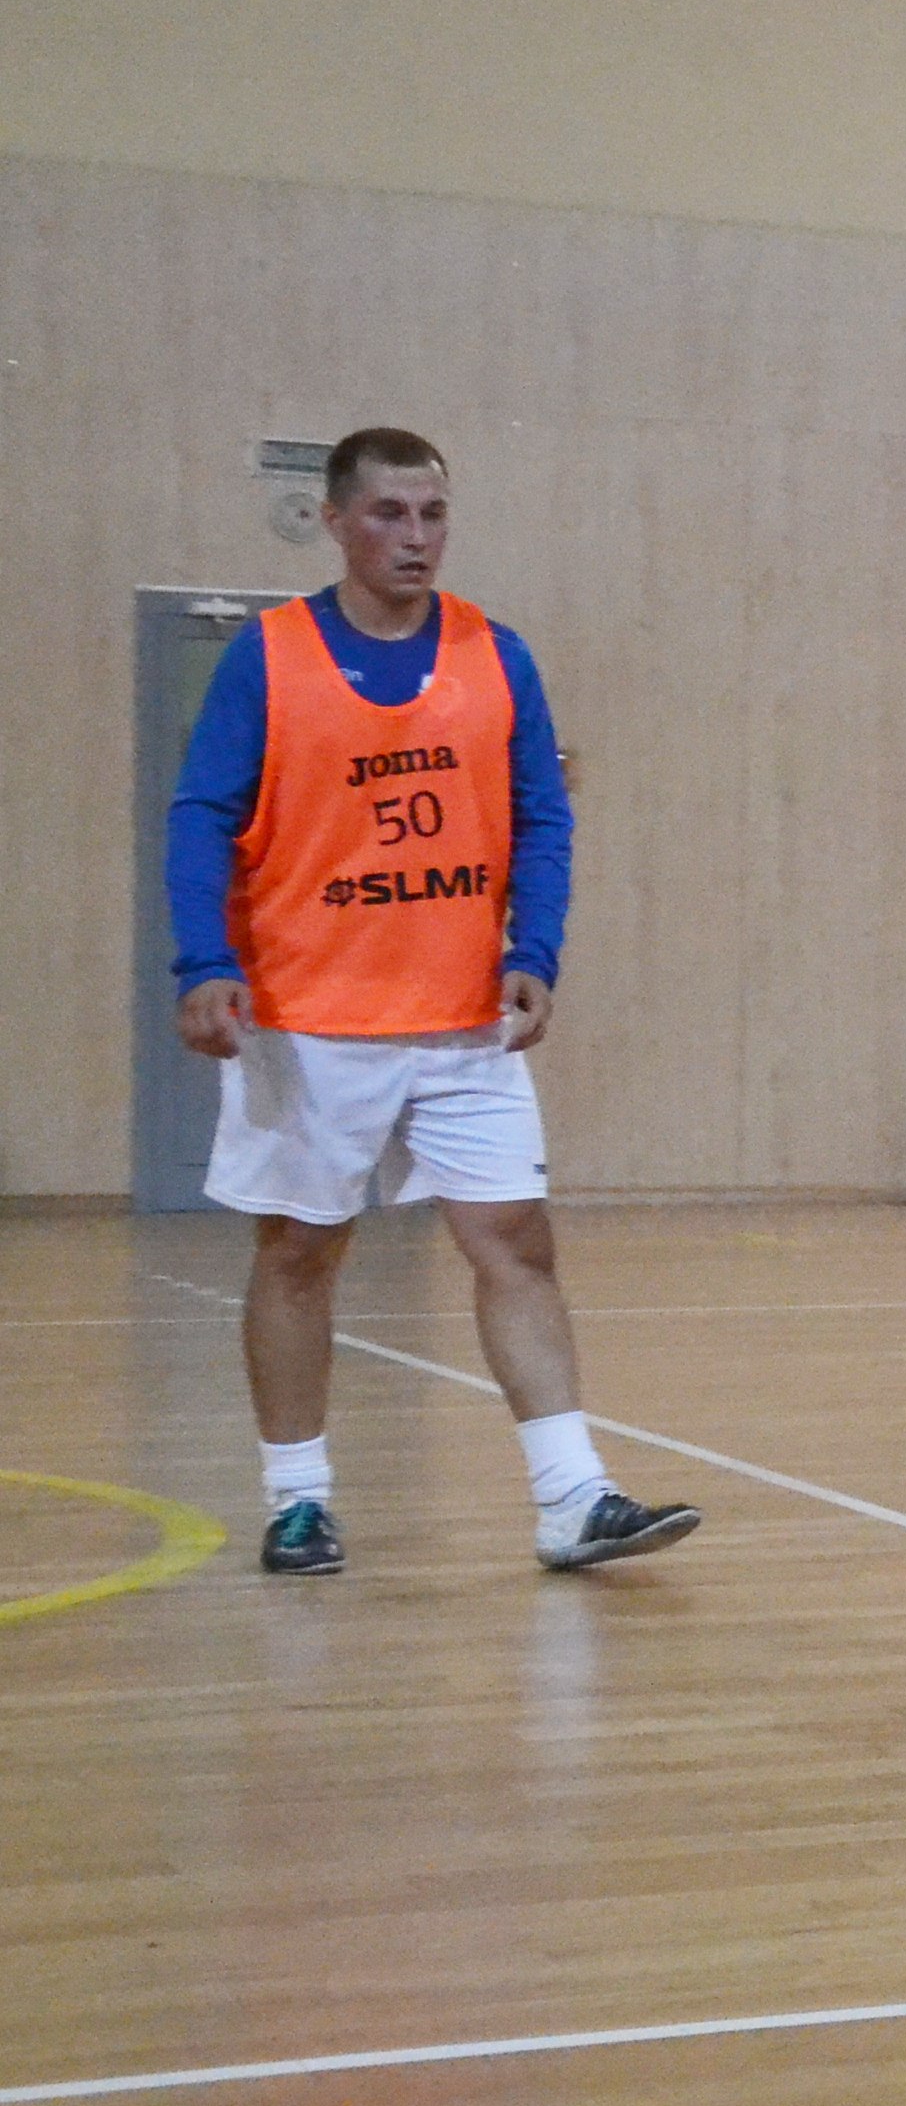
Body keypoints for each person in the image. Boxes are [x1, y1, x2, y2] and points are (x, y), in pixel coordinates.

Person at [162, 427, 700, 1578]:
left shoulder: (494, 654)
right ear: (336, 522)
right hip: (307, 1014)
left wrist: (535, 947)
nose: (416, 536)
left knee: (515, 1241)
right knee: (300, 1252)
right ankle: (297, 1500)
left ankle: (573, 1495)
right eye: (391, 513)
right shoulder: (269, 656)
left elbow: (541, 813)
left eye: (434, 513)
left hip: (462, 1017)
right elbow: (201, 812)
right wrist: (203, 960)